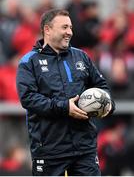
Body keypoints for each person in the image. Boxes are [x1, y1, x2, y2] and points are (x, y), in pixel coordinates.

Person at [16, 9, 115, 176]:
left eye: (70, 27)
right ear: (47, 29)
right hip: (49, 151)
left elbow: (102, 86)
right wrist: (64, 107)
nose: (69, 32)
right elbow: (28, 98)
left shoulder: (81, 57)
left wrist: (106, 105)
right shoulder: (28, 62)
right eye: (64, 27)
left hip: (85, 149)